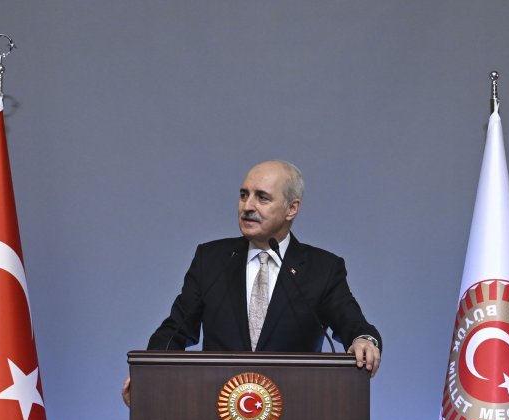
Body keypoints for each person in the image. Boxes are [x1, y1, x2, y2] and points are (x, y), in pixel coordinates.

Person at [122, 160, 381, 405]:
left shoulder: (322, 269)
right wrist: (149, 374)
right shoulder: (211, 260)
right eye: (243, 195)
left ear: (292, 208)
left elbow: (353, 323)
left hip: (297, 413)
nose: (247, 206)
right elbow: (175, 330)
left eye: (262, 198)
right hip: (216, 413)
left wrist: (364, 340)